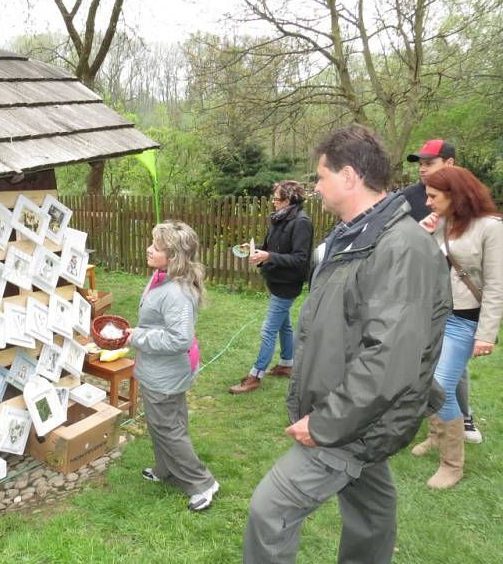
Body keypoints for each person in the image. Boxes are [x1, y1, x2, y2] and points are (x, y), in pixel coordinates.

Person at [243, 124, 451, 564]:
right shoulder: (352, 235)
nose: (315, 188)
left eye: (321, 177)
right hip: (354, 410)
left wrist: (325, 424)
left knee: (270, 511)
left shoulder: (401, 248)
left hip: (351, 418)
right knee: (371, 509)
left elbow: (390, 357)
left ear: (349, 176)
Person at [411, 167, 503, 489]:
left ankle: (452, 465)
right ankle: (437, 437)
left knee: (442, 386)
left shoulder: (491, 228)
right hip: (436, 315)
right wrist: (425, 233)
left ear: (455, 195)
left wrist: (486, 335)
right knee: (426, 378)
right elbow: (423, 263)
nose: (427, 201)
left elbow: (496, 286)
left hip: (465, 321)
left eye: (433, 196)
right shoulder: (443, 223)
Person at [125, 221, 219, 512]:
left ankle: (202, 483)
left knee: (169, 429)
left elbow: (180, 339)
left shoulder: (176, 292)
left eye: (156, 247)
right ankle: (166, 469)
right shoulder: (161, 276)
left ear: (174, 256)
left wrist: (136, 336)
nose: (149, 249)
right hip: (158, 370)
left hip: (165, 375)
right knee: (164, 423)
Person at [403, 140, 482, 443]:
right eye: (419, 163)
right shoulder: (410, 197)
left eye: (429, 162)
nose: (422, 168)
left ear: (449, 164)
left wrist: (486, 330)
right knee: (429, 360)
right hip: (423, 297)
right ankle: (436, 424)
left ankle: (463, 418)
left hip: (460, 308)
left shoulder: (467, 202)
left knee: (450, 369)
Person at [229, 180, 313, 394]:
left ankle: (255, 375)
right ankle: (287, 363)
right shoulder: (279, 218)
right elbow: (274, 246)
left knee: (268, 330)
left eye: (277, 199)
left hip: (288, 283)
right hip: (276, 279)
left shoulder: (301, 222)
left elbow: (301, 259)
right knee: (284, 326)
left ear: (289, 199)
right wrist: (255, 249)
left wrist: (269, 256)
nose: (273, 203)